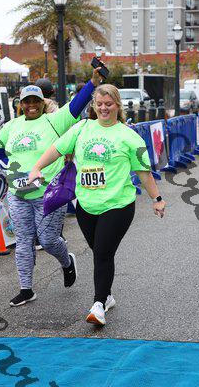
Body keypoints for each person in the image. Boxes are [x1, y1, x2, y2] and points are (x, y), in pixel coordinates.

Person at [28, 84, 166, 326]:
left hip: (118, 205)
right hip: (86, 205)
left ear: (117, 106)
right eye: (99, 104)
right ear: (93, 105)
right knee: (101, 252)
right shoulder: (82, 128)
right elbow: (57, 149)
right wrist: (37, 167)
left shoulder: (129, 136)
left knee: (102, 252)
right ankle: (108, 295)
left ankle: (98, 304)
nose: (103, 108)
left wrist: (157, 199)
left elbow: (144, 172)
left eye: (108, 104)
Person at [0, 67, 104, 307]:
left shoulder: (54, 121)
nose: (32, 105)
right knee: (23, 241)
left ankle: (67, 262)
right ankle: (26, 289)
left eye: (36, 101)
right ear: (21, 104)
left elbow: (77, 104)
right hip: (18, 194)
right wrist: (6, 166)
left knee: (48, 240)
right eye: (27, 101)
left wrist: (92, 82)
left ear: (43, 103)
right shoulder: (12, 126)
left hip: (49, 194)